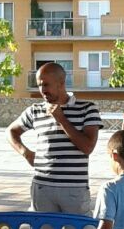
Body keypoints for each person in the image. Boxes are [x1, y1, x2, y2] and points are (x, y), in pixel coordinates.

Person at [7, 63, 102, 217]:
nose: (42, 90)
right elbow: (11, 131)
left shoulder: (87, 109)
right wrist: (26, 153)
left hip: (74, 189)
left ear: (61, 83)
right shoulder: (34, 110)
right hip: (42, 187)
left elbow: (87, 147)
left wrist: (61, 119)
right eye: (39, 85)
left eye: (46, 84)